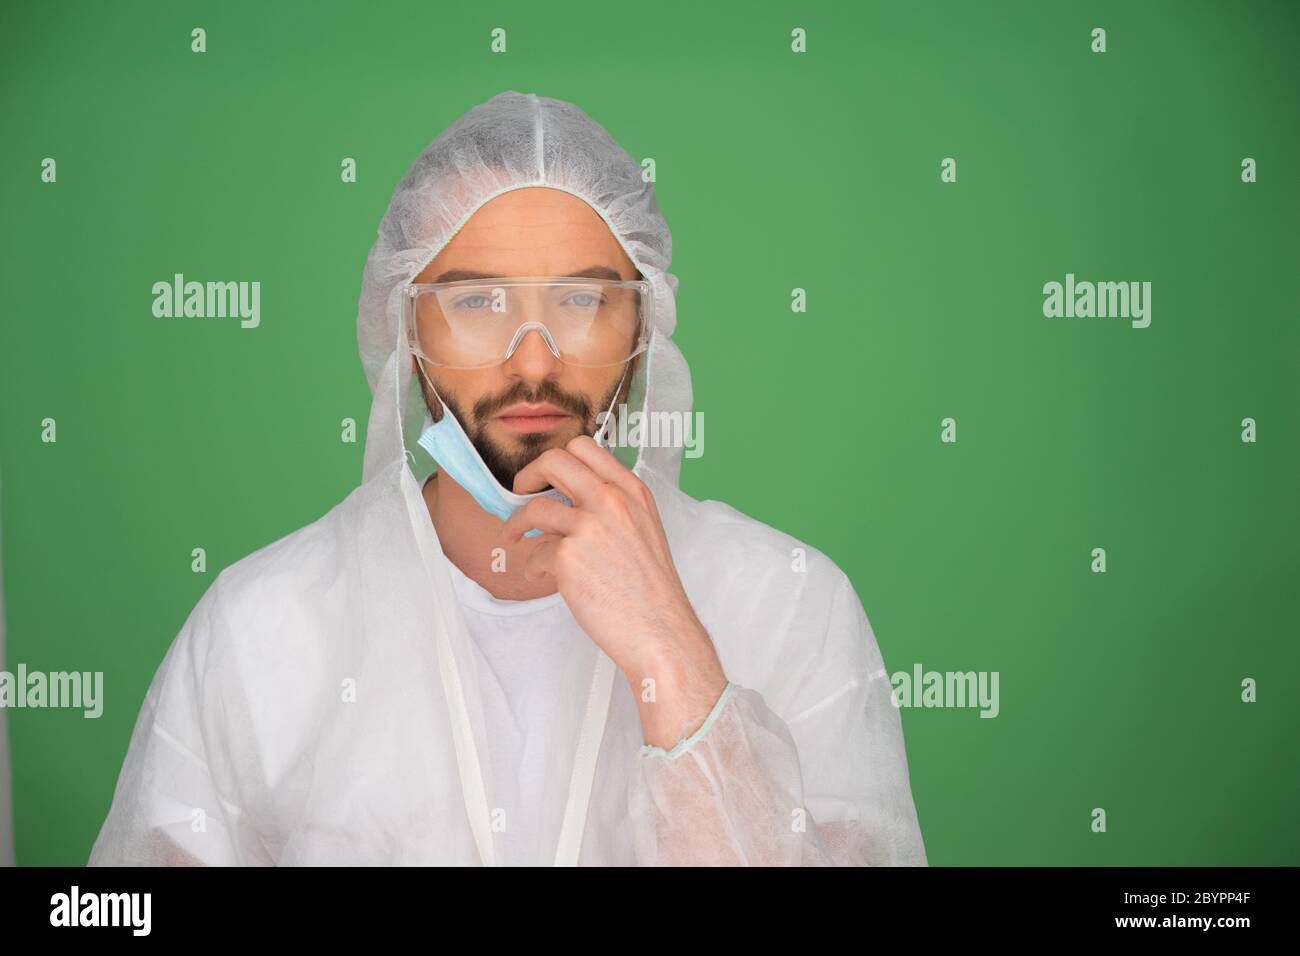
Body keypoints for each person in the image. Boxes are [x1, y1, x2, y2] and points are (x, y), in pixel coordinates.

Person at [88, 91, 927, 866]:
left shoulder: (789, 606)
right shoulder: (260, 630)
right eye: (478, 300)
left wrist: (673, 657)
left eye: (581, 300)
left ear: (644, 326)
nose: (534, 357)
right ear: (405, 326)